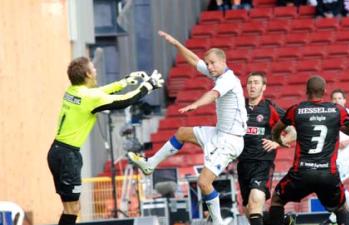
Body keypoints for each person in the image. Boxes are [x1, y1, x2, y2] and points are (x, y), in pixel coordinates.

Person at [128, 30, 247, 225]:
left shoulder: (228, 80)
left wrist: (196, 104)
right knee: (182, 133)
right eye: (208, 64)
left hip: (230, 140)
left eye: (212, 63)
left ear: (223, 61)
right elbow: (194, 60)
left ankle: (217, 223)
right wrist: (176, 43)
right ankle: (150, 165)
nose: (209, 67)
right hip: (219, 133)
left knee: (203, 183)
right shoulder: (217, 73)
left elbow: (213, 95)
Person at [47, 56, 164, 225]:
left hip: (56, 152)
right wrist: (148, 86)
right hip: (68, 158)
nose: (96, 71)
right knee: (72, 209)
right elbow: (125, 101)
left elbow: (98, 92)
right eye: (93, 68)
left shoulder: (72, 91)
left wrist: (125, 82)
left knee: (71, 208)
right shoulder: (89, 98)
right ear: (87, 74)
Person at [268, 76, 349, 225]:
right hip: (327, 173)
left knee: (278, 200)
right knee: (341, 208)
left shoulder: (296, 110)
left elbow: (276, 130)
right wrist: (337, 126)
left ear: (306, 91)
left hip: (301, 173)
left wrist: (280, 141)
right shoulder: (337, 110)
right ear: (325, 91)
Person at [238, 72, 297, 225]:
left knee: (256, 200)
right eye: (250, 82)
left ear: (263, 87)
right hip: (243, 164)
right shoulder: (239, 107)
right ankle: (284, 221)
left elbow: (293, 130)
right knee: (249, 210)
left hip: (262, 163)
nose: (252, 85)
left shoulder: (269, 108)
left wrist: (278, 142)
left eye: (256, 82)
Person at [320, 89, 349, 225]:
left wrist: (348, 140)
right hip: (332, 157)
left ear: (345, 100)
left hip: (345, 158)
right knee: (333, 187)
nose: (337, 101)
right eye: (334, 98)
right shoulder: (328, 115)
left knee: (336, 186)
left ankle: (338, 217)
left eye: (340, 98)